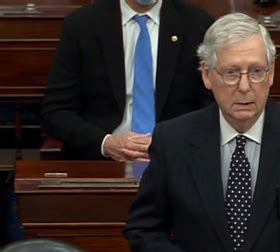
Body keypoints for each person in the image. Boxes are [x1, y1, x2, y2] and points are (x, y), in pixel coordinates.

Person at [124, 12, 280, 252]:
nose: (245, 86)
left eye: (257, 71)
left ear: (271, 74)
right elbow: (144, 230)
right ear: (207, 75)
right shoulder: (173, 140)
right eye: (231, 73)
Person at [41, 0, 214, 161]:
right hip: (102, 159)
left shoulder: (196, 24)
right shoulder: (82, 25)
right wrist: (105, 143)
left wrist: (170, 143)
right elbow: (56, 111)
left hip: (176, 158)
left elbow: (212, 108)